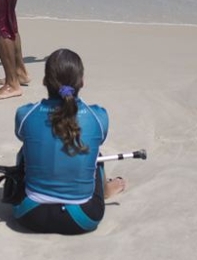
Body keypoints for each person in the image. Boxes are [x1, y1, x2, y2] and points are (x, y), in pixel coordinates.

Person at [12, 49, 126, 234]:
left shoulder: (25, 114)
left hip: (30, 215)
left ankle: (40, 187)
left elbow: (24, 137)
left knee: (27, 147)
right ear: (82, 82)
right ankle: (103, 191)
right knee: (96, 154)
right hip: (82, 217)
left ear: (44, 81)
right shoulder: (98, 116)